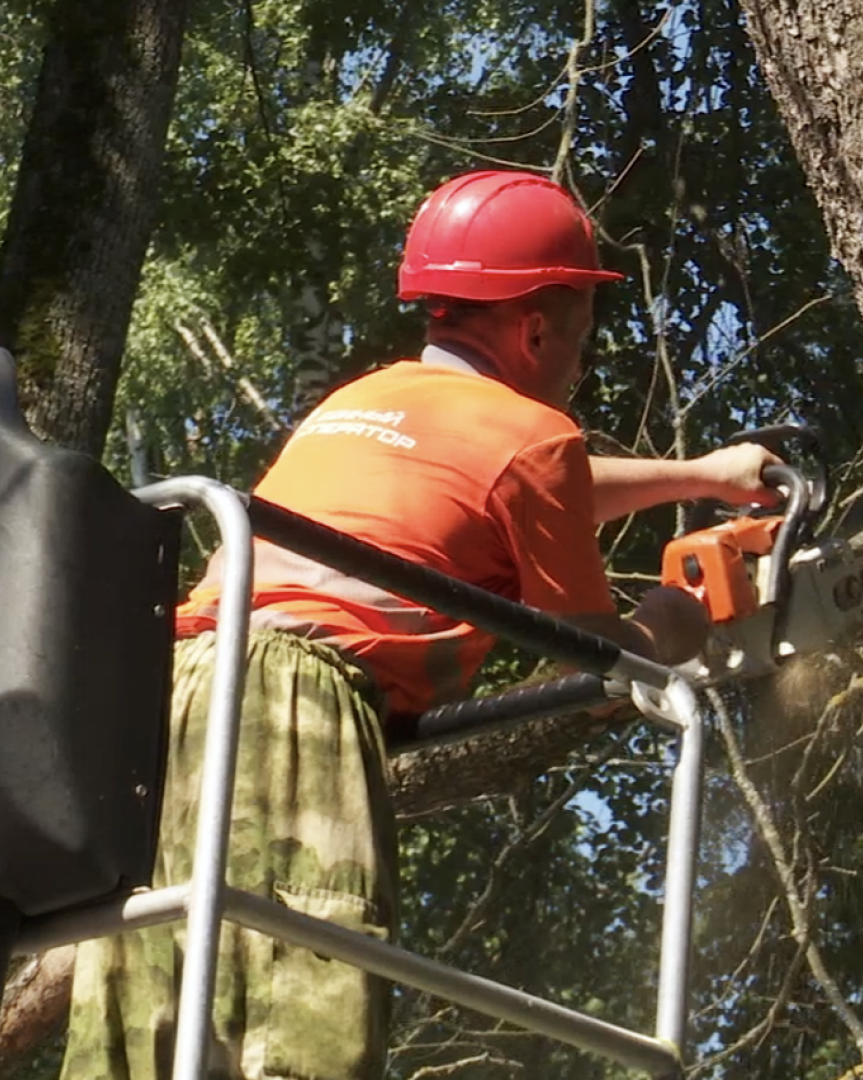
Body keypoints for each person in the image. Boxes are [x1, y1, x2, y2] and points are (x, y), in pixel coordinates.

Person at [58, 169, 779, 1080]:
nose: (579, 364)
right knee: (300, 1007)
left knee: (152, 1016)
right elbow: (594, 664)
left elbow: (523, 487)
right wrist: (668, 626)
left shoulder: (362, 401)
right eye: (580, 339)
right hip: (292, 703)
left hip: (171, 701)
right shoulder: (529, 433)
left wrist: (703, 475)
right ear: (534, 329)